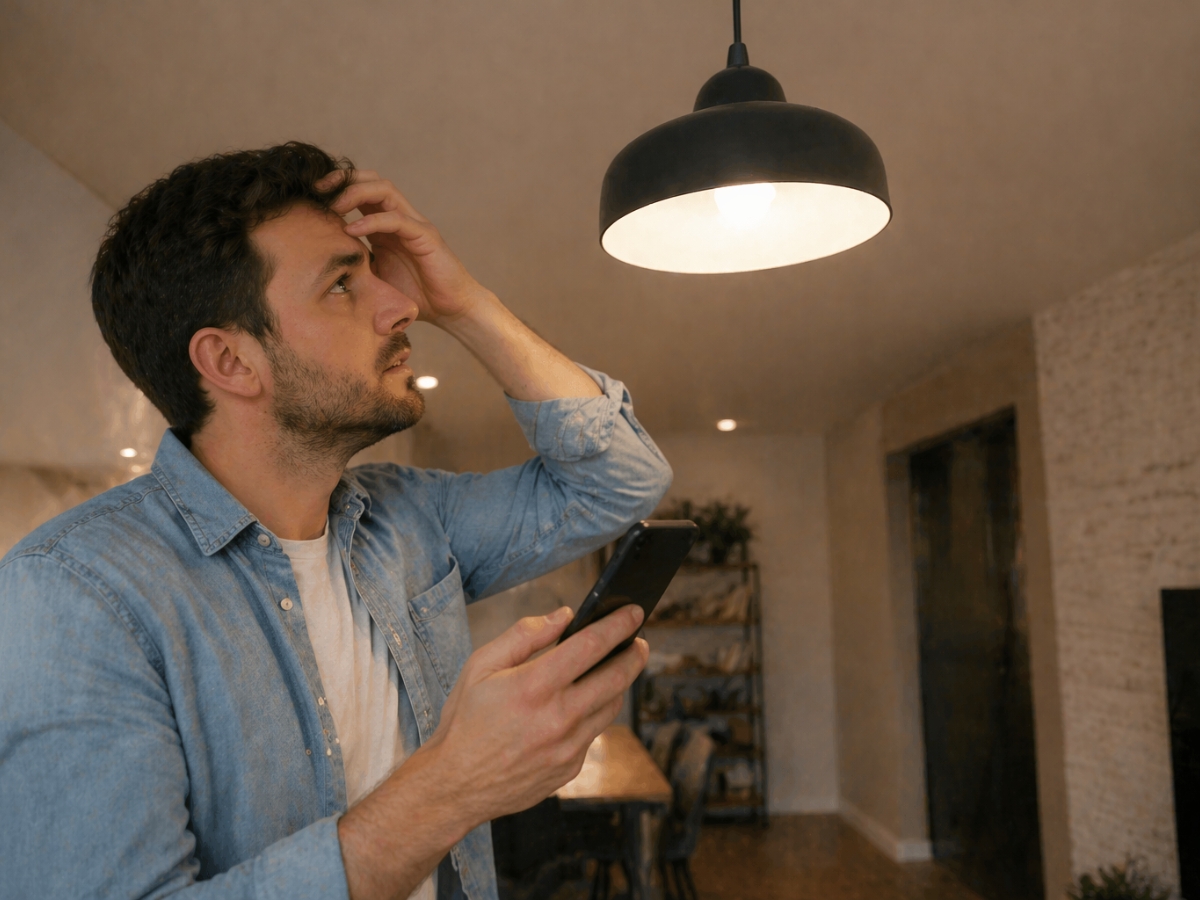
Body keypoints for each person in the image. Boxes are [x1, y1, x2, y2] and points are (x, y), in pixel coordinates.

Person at [0, 142, 672, 900]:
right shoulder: (75, 594)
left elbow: (621, 480)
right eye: (343, 285)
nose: (401, 304)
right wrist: (456, 782)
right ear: (230, 361)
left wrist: (466, 303)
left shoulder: (412, 518)